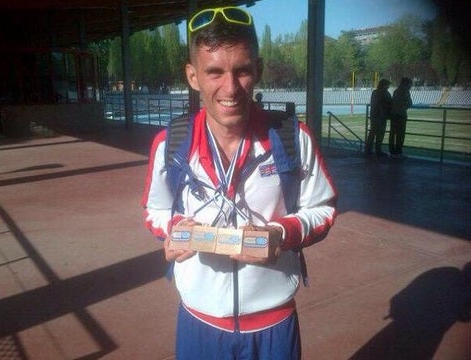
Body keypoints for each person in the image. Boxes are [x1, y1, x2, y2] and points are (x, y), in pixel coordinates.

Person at [142, 6, 337, 359]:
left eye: (242, 71)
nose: (230, 88)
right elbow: (155, 209)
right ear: (192, 75)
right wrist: (173, 227)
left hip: (273, 325)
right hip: (199, 323)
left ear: (257, 70)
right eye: (214, 72)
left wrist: (281, 233)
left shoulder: (292, 137)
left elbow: (322, 210)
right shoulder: (170, 144)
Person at [365, 78, 392, 157]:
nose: (388, 87)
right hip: (381, 116)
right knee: (379, 134)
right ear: (384, 85)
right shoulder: (385, 93)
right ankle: (378, 150)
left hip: (375, 115)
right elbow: (389, 103)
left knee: (372, 133)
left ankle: (368, 150)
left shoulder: (375, 92)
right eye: (387, 86)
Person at [389, 77, 413, 158]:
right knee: (400, 134)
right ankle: (398, 152)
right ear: (407, 84)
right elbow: (410, 103)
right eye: (410, 85)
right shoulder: (405, 91)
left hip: (393, 115)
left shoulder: (396, 91)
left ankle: (392, 151)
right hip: (401, 115)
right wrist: (404, 108)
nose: (411, 86)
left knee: (392, 133)